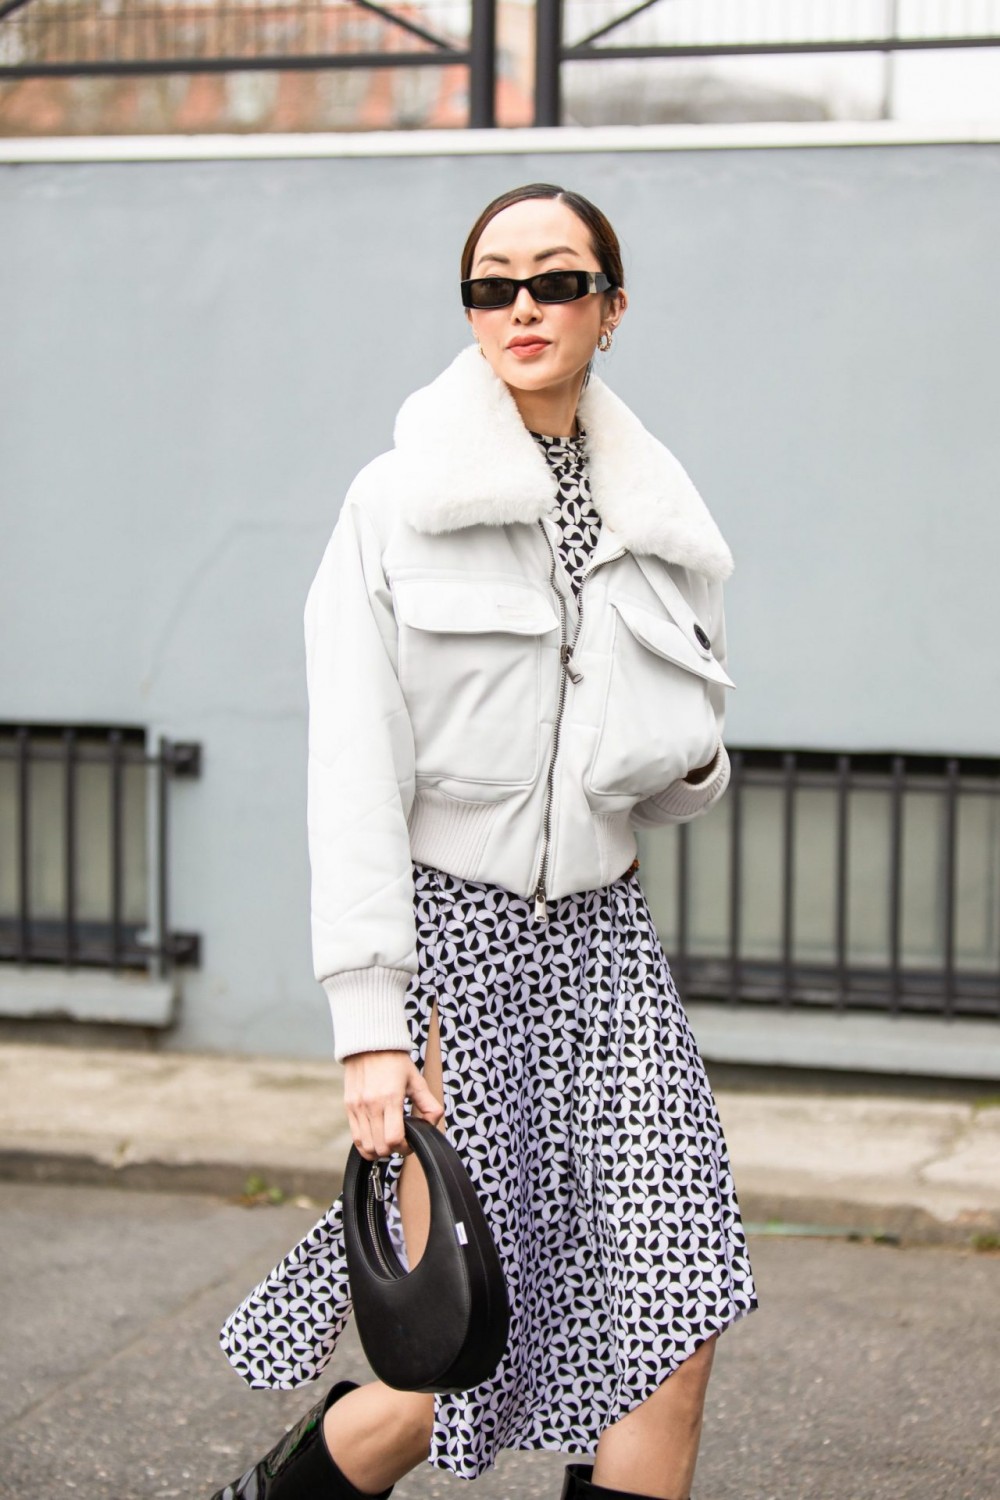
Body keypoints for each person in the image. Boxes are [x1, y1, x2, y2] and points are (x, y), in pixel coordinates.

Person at [211, 183, 757, 1500]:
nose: (523, 306)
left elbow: (679, 774)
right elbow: (353, 776)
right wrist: (370, 1029)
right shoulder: (395, 503)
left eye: (557, 280)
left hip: (607, 946)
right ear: (469, 311)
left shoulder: (661, 517)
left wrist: (689, 762)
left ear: (610, 310)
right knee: (458, 1343)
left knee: (675, 1318)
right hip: (451, 946)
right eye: (493, 284)